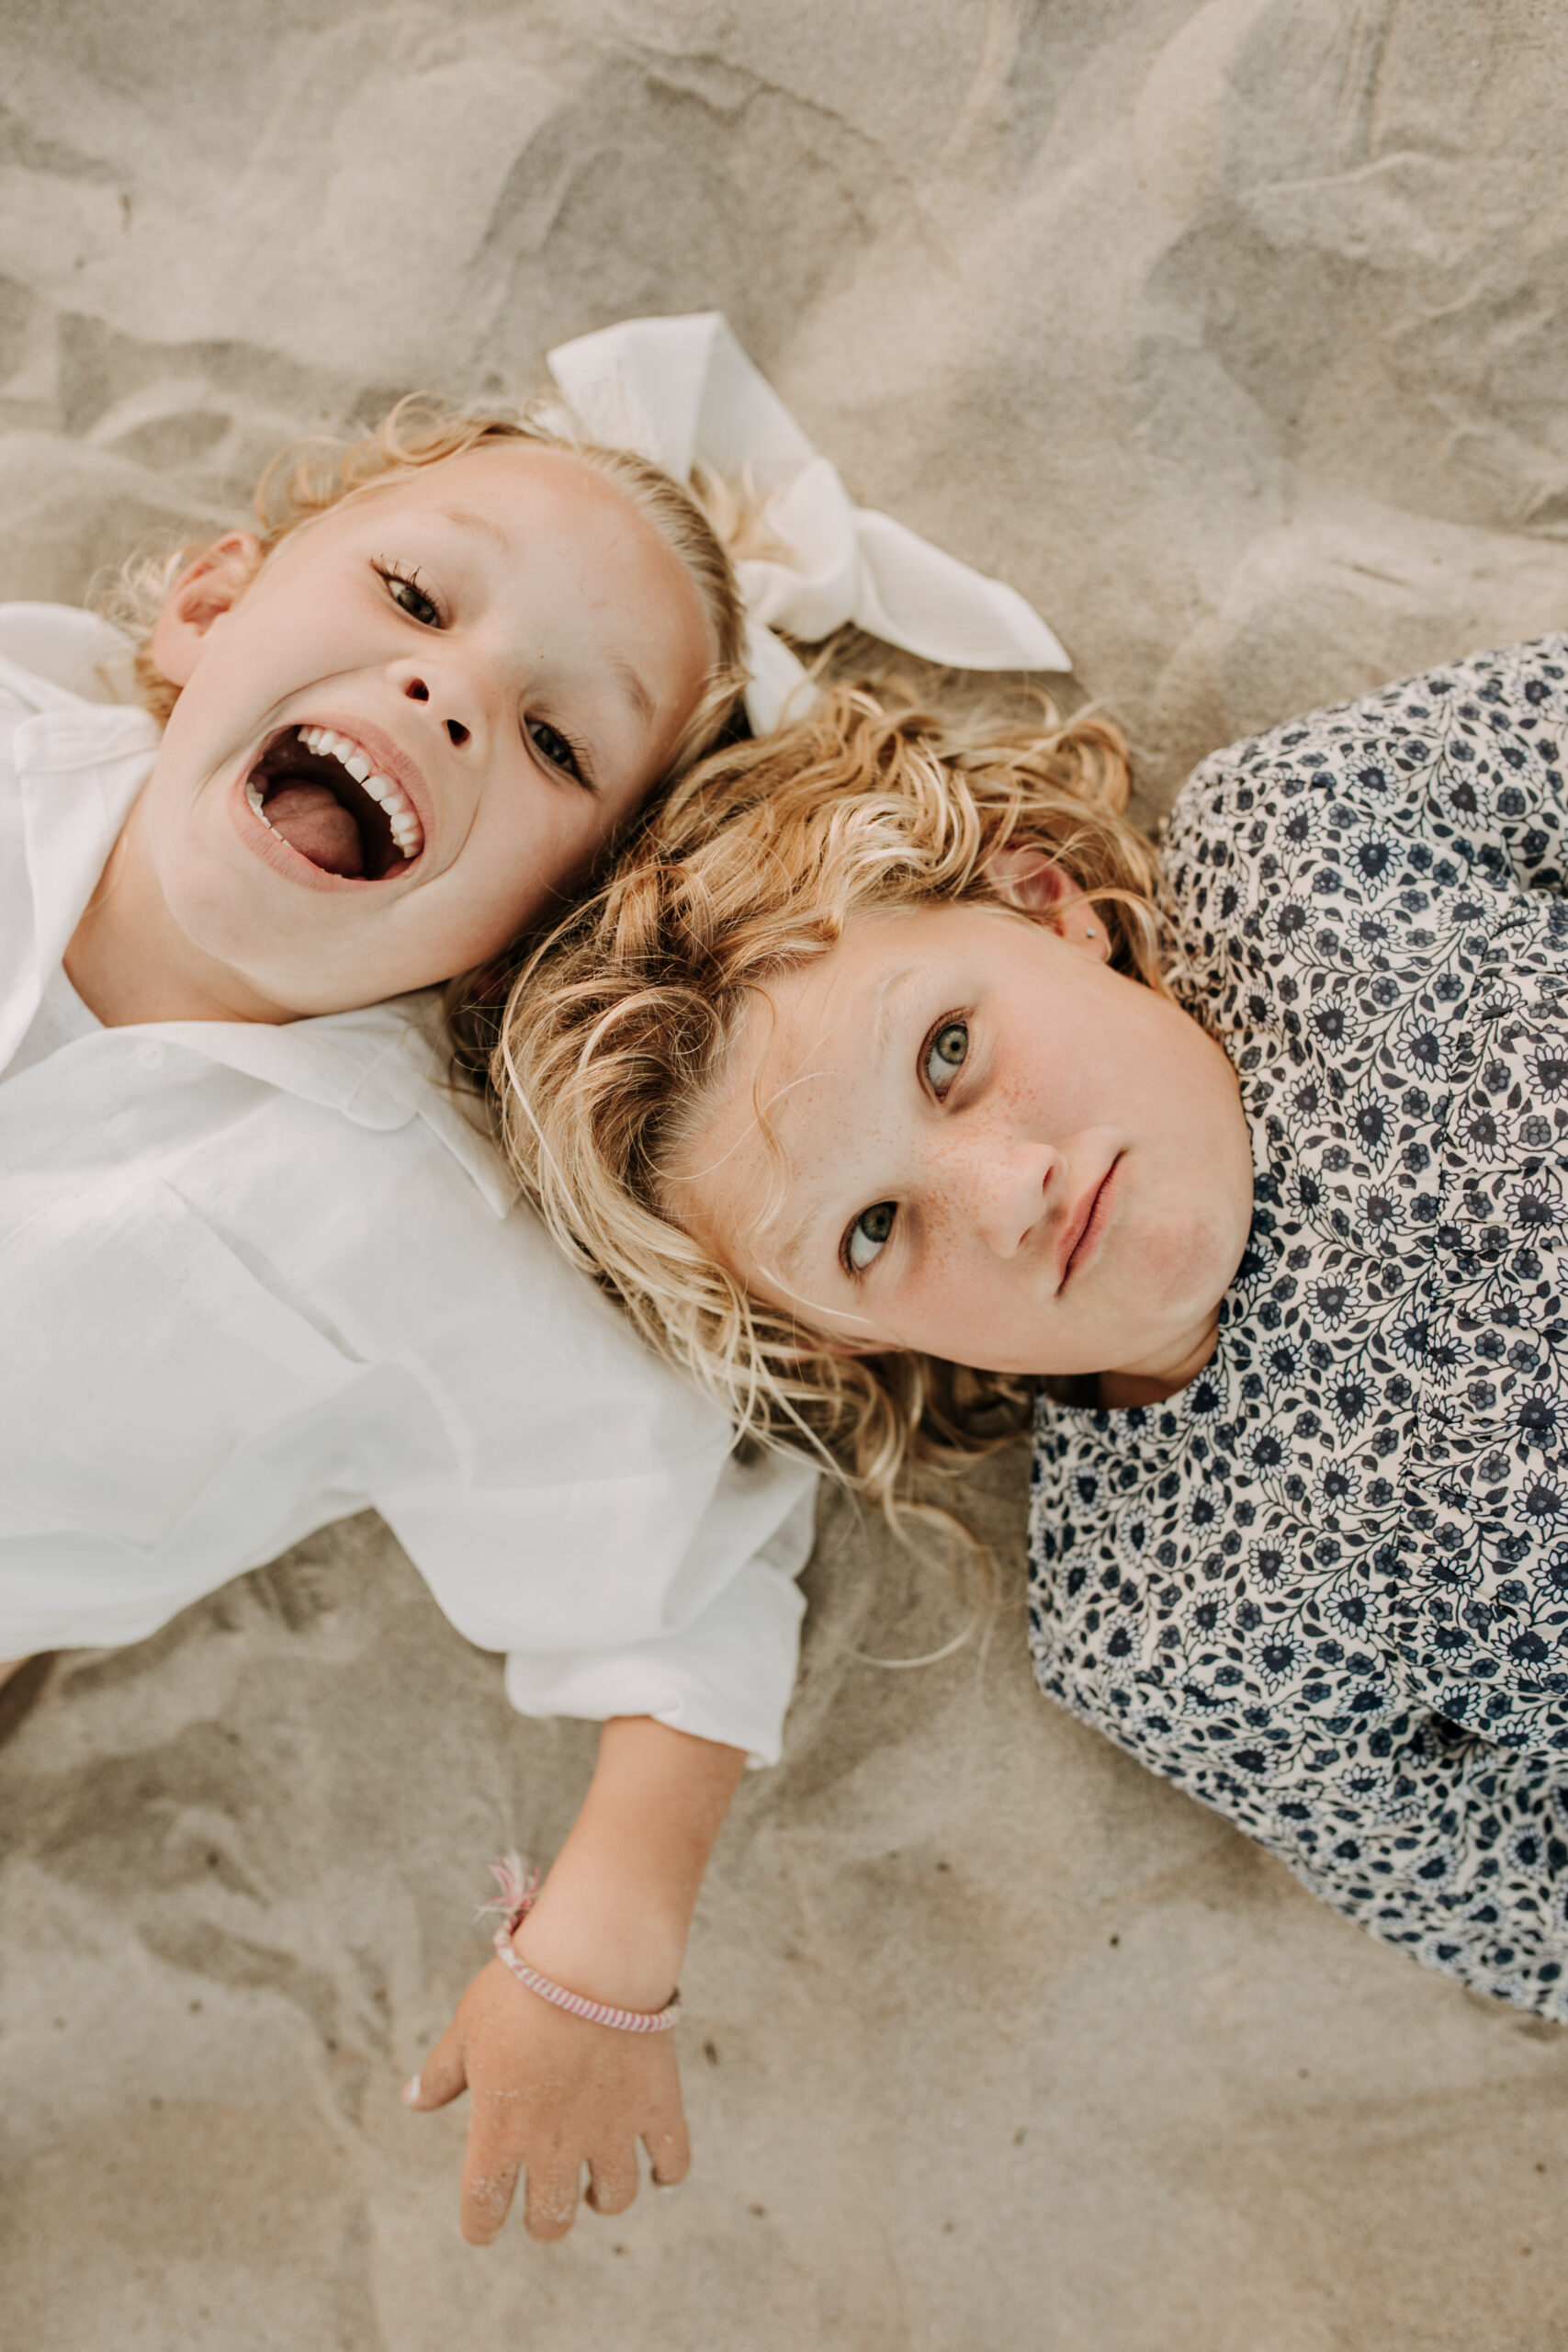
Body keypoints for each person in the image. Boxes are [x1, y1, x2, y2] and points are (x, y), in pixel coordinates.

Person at [1, 313, 1071, 2244]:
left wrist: (598, 1947)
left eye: (556, 737)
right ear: (210, 607)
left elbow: (680, 1583)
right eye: (415, 591)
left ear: (521, 939)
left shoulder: (420, 1233)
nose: (452, 686)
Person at [496, 638, 1568, 2019]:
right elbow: (1522, 1912)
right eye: (874, 1230)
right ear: (836, 1339)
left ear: (1041, 897)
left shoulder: (1319, 841)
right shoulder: (1163, 1623)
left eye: (951, 1051)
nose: (1010, 1195)